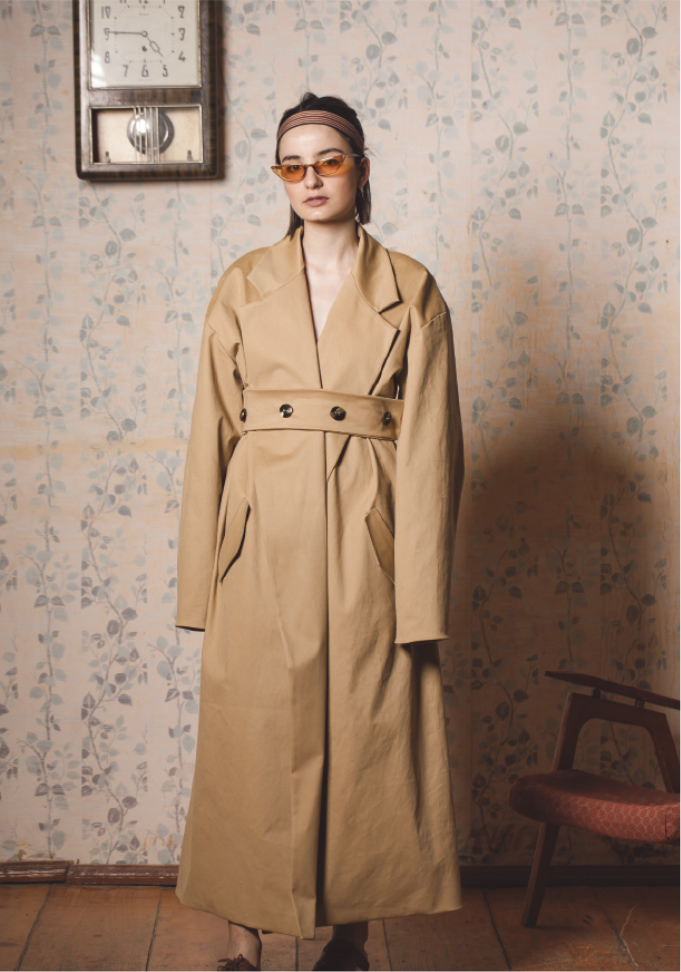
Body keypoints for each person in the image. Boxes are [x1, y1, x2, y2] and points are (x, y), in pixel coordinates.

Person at [174, 92, 465, 972]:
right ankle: (241, 938)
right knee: (249, 734)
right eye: (290, 165)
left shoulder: (411, 288)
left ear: (360, 169)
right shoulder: (242, 284)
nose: (309, 179)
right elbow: (211, 432)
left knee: (368, 733)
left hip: (367, 542)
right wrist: (200, 580)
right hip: (259, 536)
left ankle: (350, 937)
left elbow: (433, 449)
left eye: (327, 161)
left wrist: (418, 593)